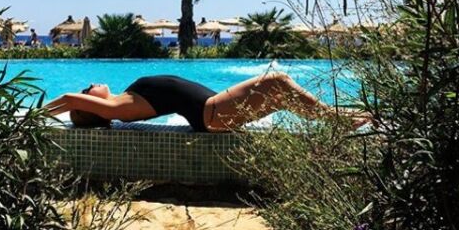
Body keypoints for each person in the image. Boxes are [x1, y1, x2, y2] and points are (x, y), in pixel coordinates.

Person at [44, 72, 373, 132]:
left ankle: (343, 119)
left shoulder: (123, 99)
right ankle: (337, 117)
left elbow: (74, 99)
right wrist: (33, 116)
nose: (90, 85)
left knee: (282, 98)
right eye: (87, 91)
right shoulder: (116, 108)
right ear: (88, 107)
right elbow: (68, 99)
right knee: (277, 81)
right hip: (211, 113)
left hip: (213, 112)